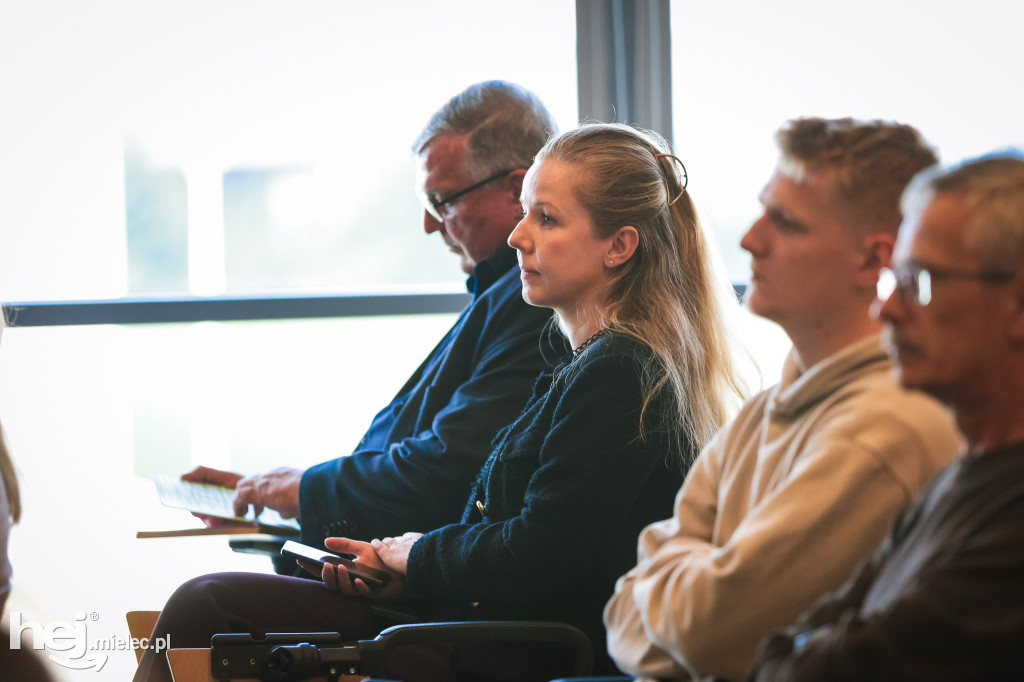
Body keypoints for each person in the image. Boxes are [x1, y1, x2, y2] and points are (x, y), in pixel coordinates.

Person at [132, 123, 747, 681]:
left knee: (207, 606)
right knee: (211, 607)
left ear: (619, 246)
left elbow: (540, 553)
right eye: (524, 214)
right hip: (480, 623)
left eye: (546, 219)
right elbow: (518, 536)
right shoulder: (591, 362)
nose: (518, 236)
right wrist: (398, 570)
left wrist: (416, 556)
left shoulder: (619, 369)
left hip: (509, 646)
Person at [603, 117, 963, 682]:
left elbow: (712, 632)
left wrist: (681, 592)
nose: (750, 239)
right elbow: (622, 614)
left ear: (874, 261)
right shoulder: (768, 407)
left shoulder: (882, 430)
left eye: (786, 222)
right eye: (763, 209)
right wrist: (688, 603)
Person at [186, 81, 557, 555]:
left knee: (205, 601)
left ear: (515, 189)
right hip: (396, 555)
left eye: (442, 201)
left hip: (416, 583)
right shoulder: (501, 295)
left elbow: (447, 472)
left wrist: (303, 491)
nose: (429, 225)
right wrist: (271, 497)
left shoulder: (532, 305)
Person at [748, 152, 1024, 681]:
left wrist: (796, 655)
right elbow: (797, 642)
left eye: (919, 280)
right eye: (893, 279)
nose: (887, 309)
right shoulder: (962, 476)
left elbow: (831, 670)